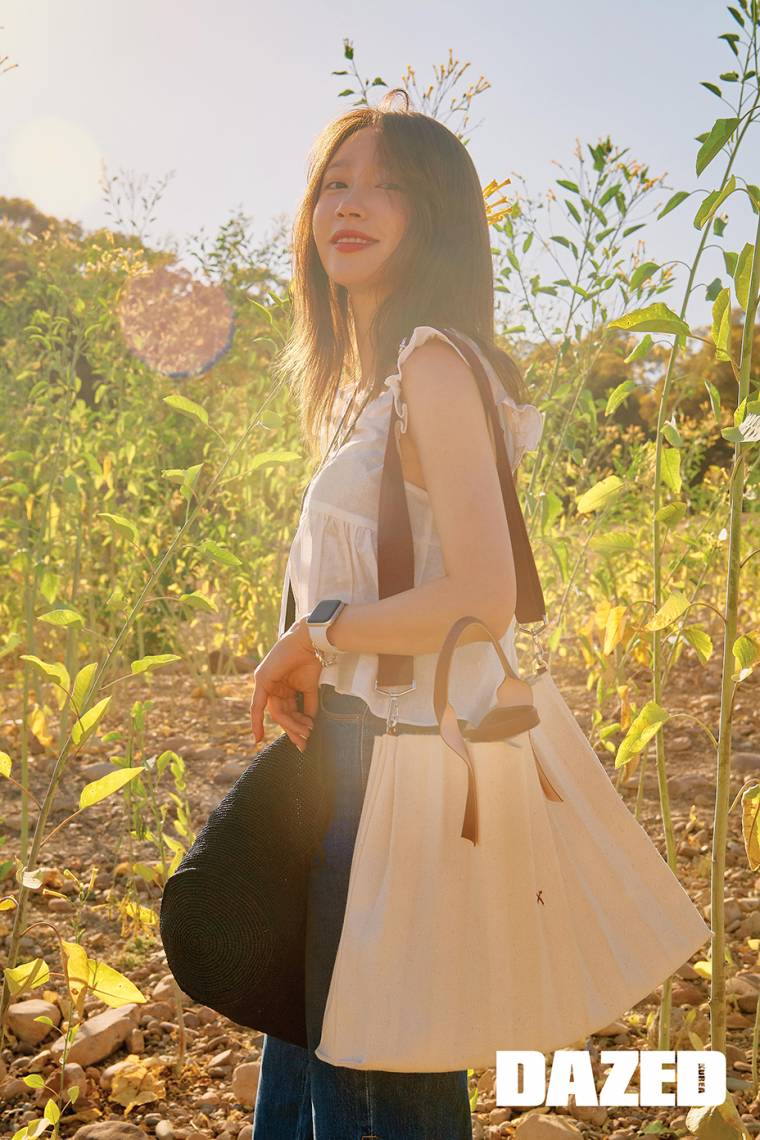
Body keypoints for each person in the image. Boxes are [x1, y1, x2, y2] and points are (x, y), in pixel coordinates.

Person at [248, 87, 544, 1140]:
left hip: (400, 765)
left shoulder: (432, 364)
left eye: (387, 186)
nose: (348, 203)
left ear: (439, 216)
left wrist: (318, 636)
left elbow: (483, 596)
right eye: (333, 183)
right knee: (332, 1072)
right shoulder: (368, 386)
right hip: (349, 755)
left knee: (377, 1086)